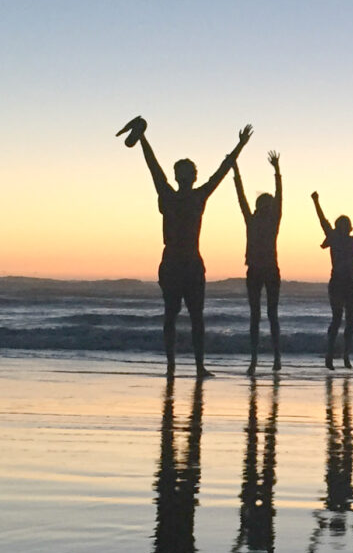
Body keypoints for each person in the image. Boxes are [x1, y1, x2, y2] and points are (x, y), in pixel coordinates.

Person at [117, 116, 252, 377]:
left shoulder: (173, 195)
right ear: (187, 176)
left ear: (180, 177)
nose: (189, 176)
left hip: (181, 262)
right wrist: (240, 146)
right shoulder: (189, 196)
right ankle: (188, 367)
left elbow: (156, 167)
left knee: (182, 316)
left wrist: (240, 146)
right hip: (183, 262)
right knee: (188, 316)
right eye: (188, 173)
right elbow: (157, 167)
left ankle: (180, 367)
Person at [312, 190, 353, 369]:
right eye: (340, 225)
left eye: (345, 225)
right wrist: (316, 202)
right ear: (337, 227)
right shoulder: (333, 238)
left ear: (349, 227)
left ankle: (346, 355)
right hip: (337, 283)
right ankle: (329, 355)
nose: (343, 228)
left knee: (349, 320)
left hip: (348, 284)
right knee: (337, 319)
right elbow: (322, 220)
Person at [231, 151, 282, 375]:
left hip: (270, 270)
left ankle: (277, 358)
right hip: (254, 270)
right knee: (255, 315)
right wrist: (235, 171)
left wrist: (277, 171)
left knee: (271, 314)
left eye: (270, 205)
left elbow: (281, 198)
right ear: (260, 206)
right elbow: (241, 197)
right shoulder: (251, 220)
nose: (269, 207)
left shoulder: (273, 222)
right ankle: (254, 360)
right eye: (266, 204)